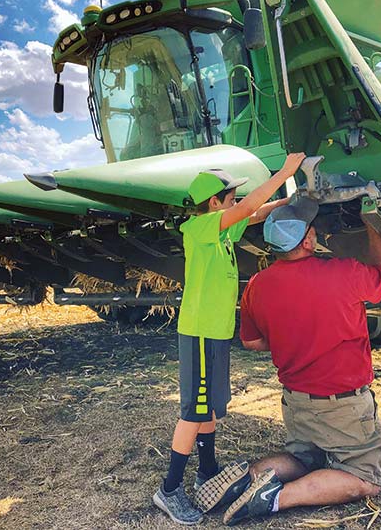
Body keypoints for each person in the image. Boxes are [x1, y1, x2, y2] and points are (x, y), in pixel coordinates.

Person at [195, 196, 381, 526]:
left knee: (305, 459)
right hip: (341, 405)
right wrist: (373, 222)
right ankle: (273, 497)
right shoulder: (343, 273)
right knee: (365, 479)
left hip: (297, 401)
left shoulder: (257, 285)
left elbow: (252, 341)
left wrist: (293, 334)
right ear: (308, 240)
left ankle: (250, 475)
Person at [153, 153, 305, 525]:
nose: (237, 202)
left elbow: (255, 212)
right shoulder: (201, 227)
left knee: (210, 407)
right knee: (193, 411)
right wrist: (284, 173)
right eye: (231, 197)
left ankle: (208, 469)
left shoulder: (221, 231)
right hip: (200, 333)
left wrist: (291, 201)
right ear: (215, 203)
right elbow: (251, 206)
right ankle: (169, 490)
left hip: (215, 334)